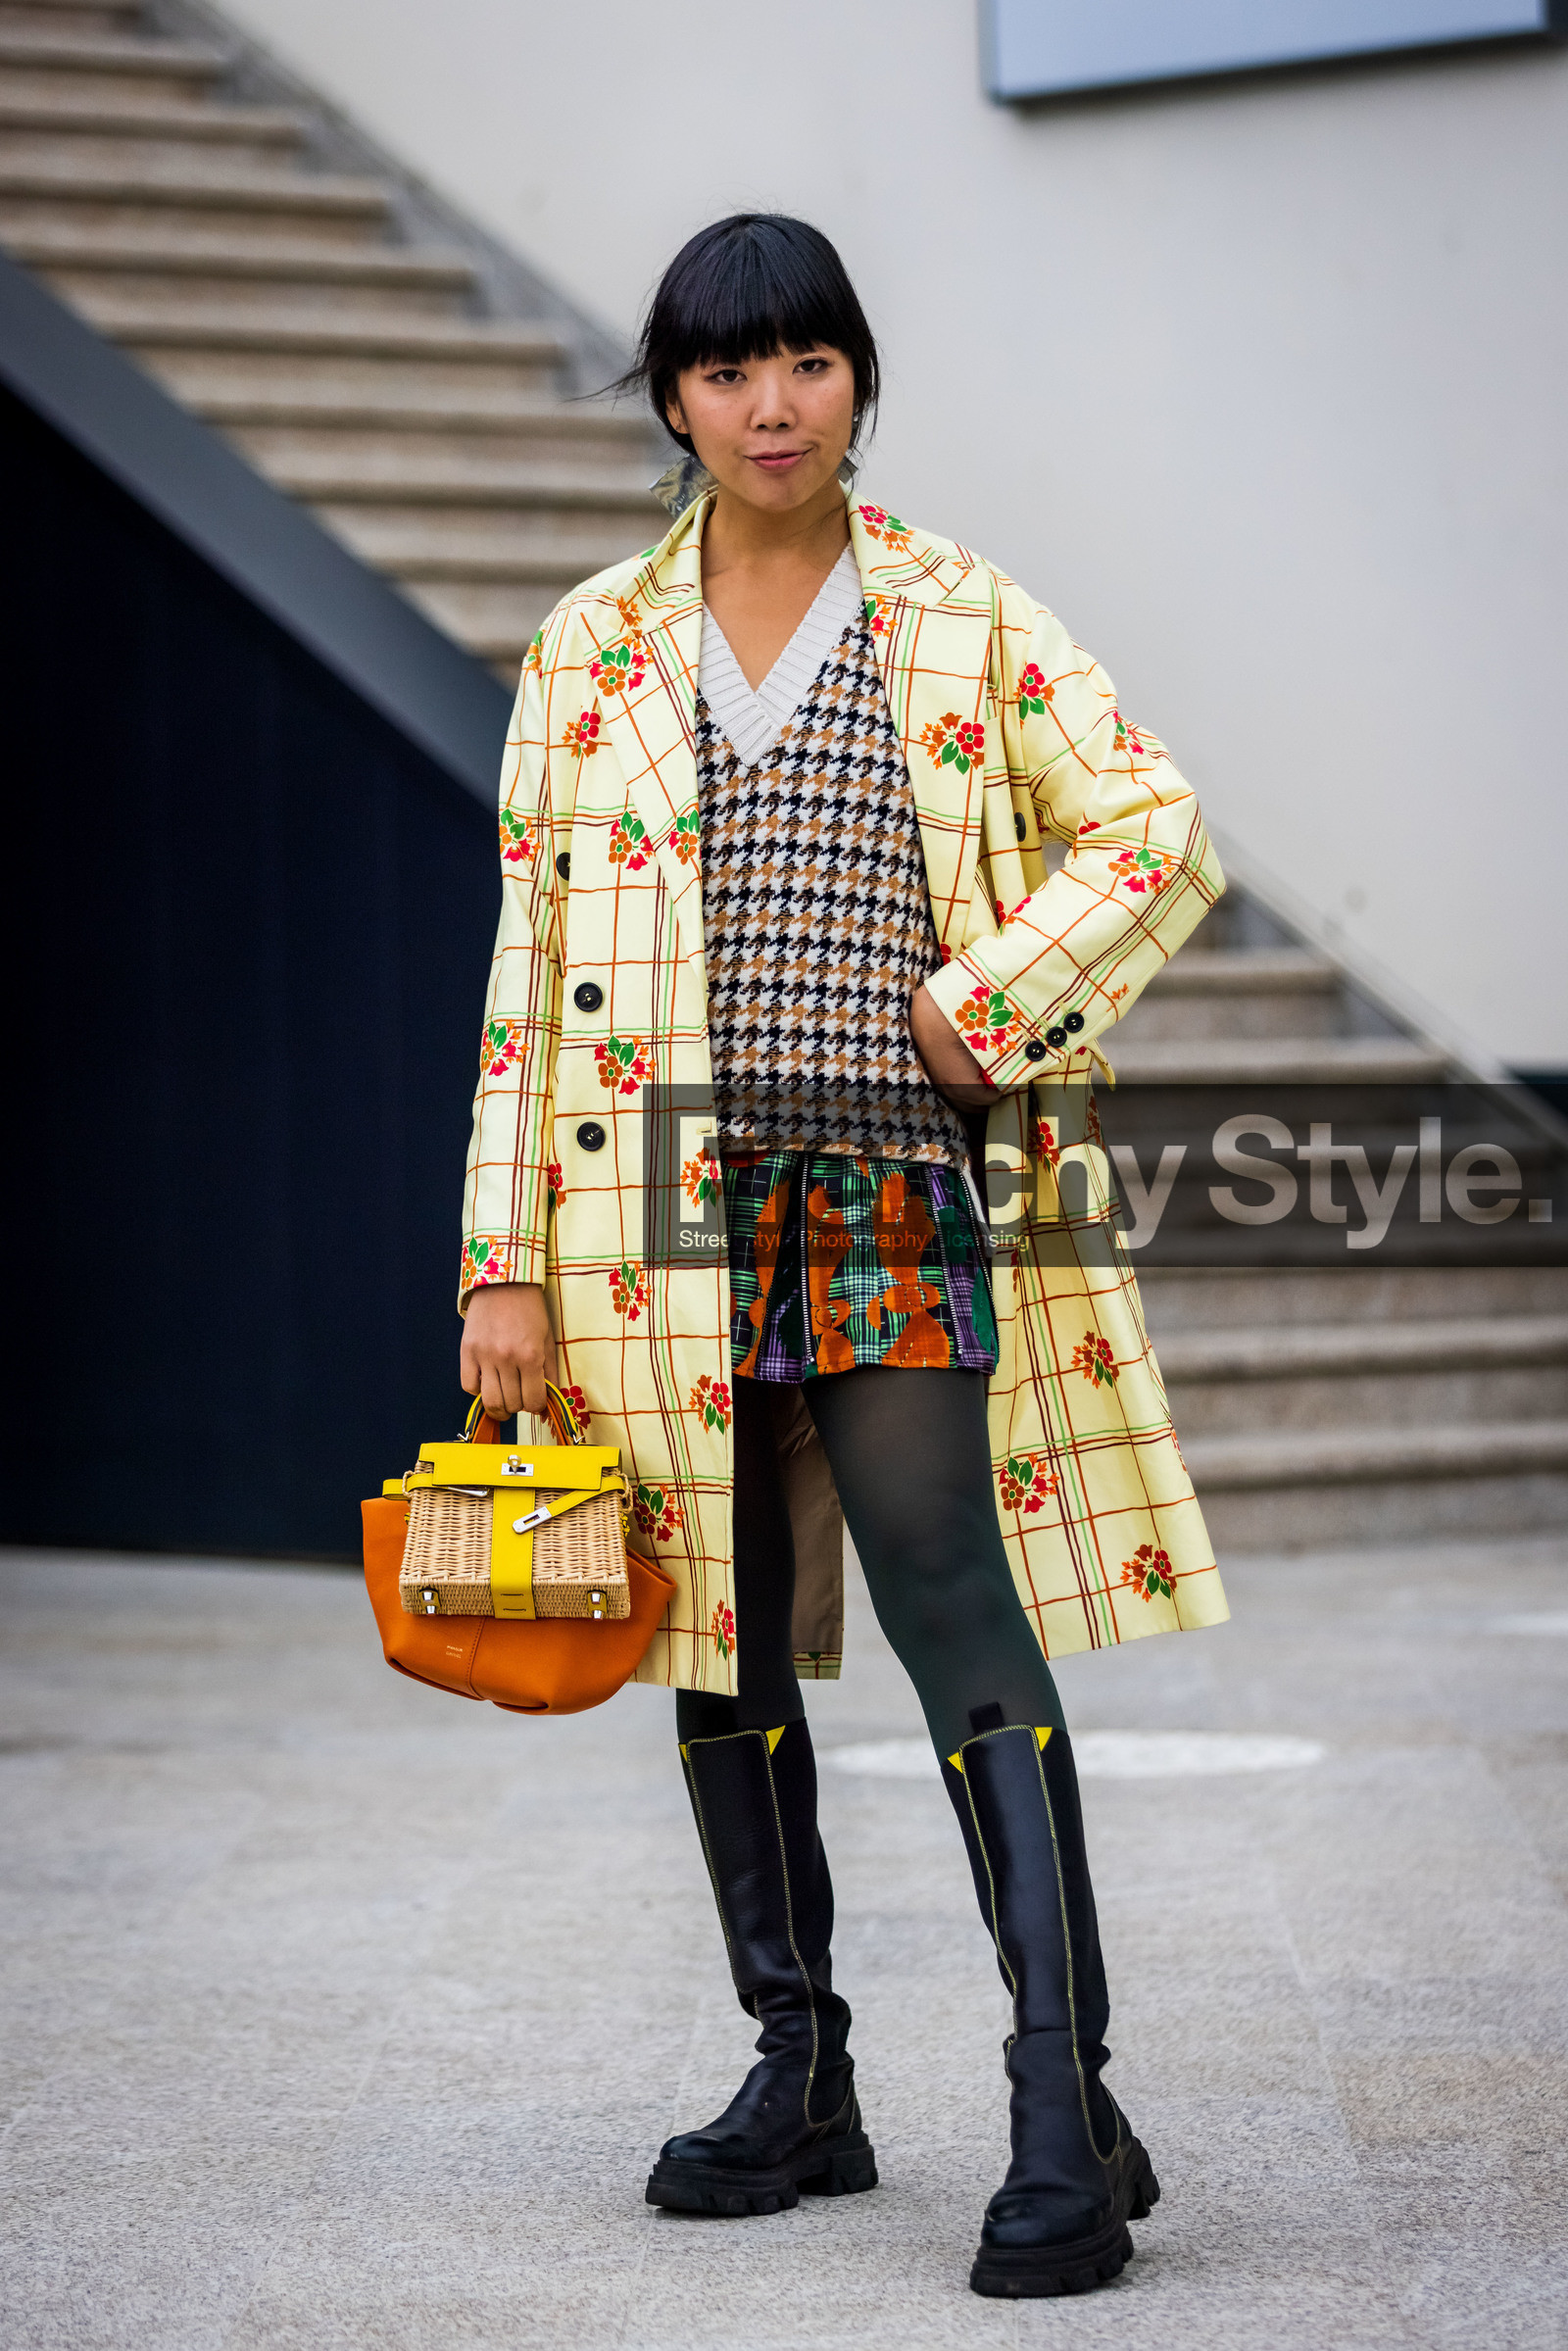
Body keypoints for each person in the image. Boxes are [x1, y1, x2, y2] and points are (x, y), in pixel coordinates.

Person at [458, 213, 1228, 2300]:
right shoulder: (589, 647)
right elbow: (530, 978)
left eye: (805, 360)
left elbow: (1150, 827)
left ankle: (1058, 2101)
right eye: (725, 371)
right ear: (674, 398)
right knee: (708, 1637)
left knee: (944, 1602)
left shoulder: (964, 618)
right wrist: (494, 1268)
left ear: (854, 378)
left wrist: (978, 1005)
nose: (770, 402)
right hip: (647, 1222)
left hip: (891, 1189)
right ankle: (797, 2076)